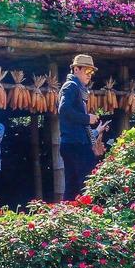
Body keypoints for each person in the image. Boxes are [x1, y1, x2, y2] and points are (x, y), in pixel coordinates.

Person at [58, 54, 101, 199]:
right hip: (75, 143)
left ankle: (66, 216)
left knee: (73, 186)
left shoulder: (78, 88)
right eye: (87, 71)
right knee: (87, 184)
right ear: (76, 69)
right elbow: (63, 109)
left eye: (92, 72)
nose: (90, 75)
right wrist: (87, 118)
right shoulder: (71, 86)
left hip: (74, 142)